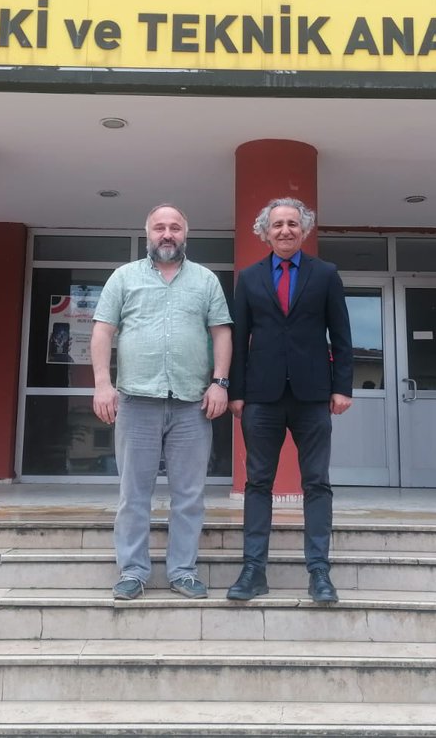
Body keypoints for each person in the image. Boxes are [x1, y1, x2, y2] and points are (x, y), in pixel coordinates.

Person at [91, 203, 232, 601]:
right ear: (148, 233)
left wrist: (220, 382)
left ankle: (183, 572)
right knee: (133, 494)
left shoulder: (205, 280)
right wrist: (103, 384)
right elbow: (103, 332)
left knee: (189, 495)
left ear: (186, 234)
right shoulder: (124, 277)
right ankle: (133, 571)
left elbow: (221, 333)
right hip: (136, 401)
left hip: (191, 404)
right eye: (159, 228)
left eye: (174, 228)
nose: (166, 234)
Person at [226, 197, 353, 604]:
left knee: (316, 483)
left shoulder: (326, 274)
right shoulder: (248, 278)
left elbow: (343, 336)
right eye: (277, 224)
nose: (285, 230)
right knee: (257, 484)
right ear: (265, 231)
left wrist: (342, 387)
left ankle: (319, 573)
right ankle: (253, 571)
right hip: (261, 398)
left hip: (313, 395)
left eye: (292, 224)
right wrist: (236, 392)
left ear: (304, 229)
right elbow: (239, 339)